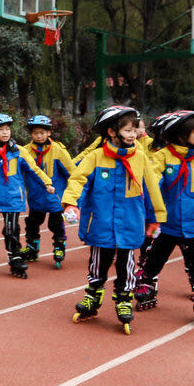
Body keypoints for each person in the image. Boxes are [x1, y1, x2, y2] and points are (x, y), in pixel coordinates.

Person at [61, 105, 166, 333]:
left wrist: (156, 217)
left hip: (130, 223)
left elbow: (151, 188)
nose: (133, 134)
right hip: (102, 223)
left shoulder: (140, 158)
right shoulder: (96, 157)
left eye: (135, 130)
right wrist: (70, 203)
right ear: (111, 132)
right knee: (98, 262)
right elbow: (78, 179)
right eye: (128, 130)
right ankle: (93, 295)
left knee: (126, 265)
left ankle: (124, 299)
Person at [134, 111, 194, 326]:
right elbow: (151, 182)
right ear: (180, 136)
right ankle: (146, 281)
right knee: (155, 254)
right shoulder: (162, 157)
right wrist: (149, 208)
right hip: (168, 222)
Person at [0, 113, 52, 279]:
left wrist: (47, 183)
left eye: (7, 129)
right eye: (0, 129)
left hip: (12, 199)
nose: (5, 132)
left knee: (11, 229)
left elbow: (34, 170)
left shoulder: (18, 151)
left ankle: (15, 257)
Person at [22, 115, 74, 269]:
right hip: (35, 197)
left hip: (54, 197)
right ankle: (32, 247)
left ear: (49, 133)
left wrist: (74, 192)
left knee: (56, 224)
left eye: (42, 133)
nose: (39, 136)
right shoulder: (25, 151)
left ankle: (59, 246)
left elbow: (71, 171)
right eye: (36, 133)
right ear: (31, 134)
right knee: (32, 224)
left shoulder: (57, 150)